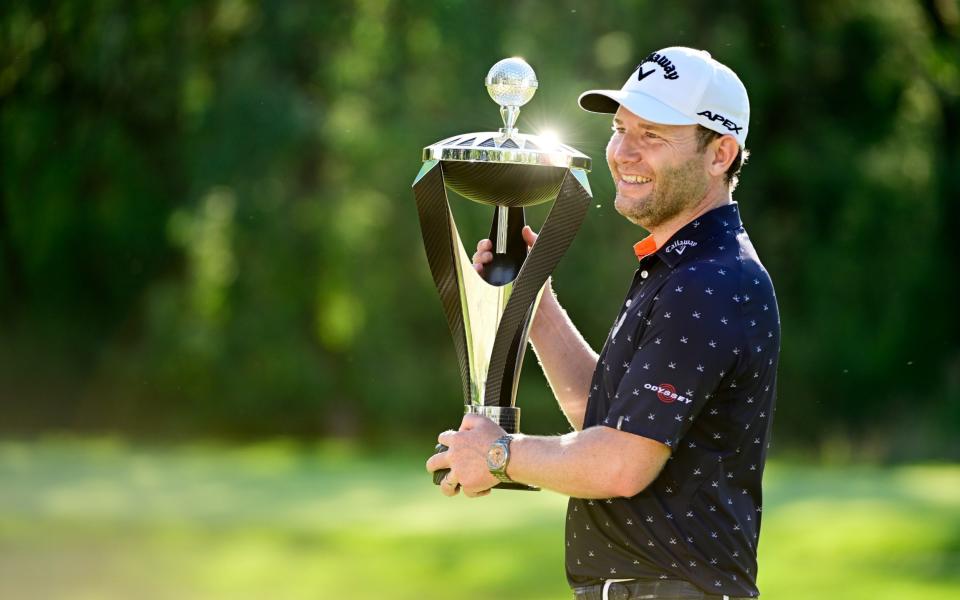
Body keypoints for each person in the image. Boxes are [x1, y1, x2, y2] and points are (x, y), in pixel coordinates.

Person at [426, 46, 780, 600]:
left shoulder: (710, 281)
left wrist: (499, 454)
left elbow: (621, 464)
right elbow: (606, 417)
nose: (622, 153)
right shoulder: (683, 269)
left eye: (652, 136)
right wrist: (534, 304)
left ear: (720, 154)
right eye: (620, 129)